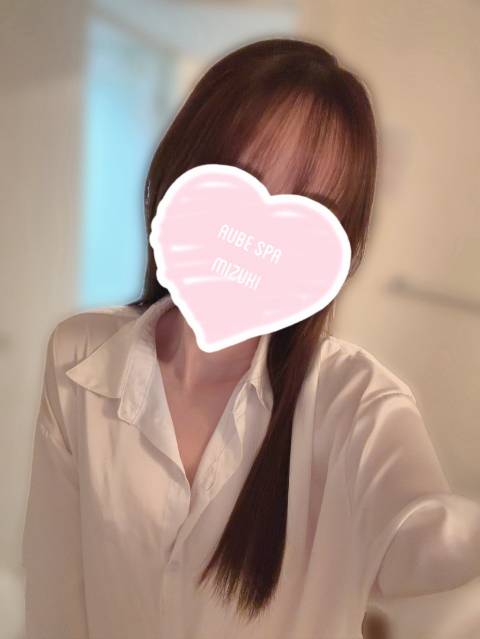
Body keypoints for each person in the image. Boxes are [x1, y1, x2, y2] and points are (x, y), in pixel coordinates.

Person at [21, 37, 480, 639]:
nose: (261, 237)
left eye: (308, 209)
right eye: (239, 180)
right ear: (180, 173)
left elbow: (420, 539)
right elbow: (55, 594)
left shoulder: (356, 401)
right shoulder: (79, 355)